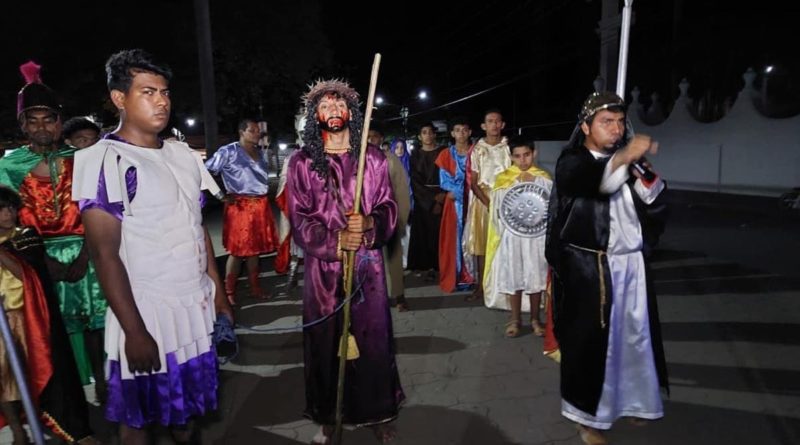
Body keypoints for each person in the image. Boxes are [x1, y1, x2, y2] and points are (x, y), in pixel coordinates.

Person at [72, 48, 232, 445]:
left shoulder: (181, 154)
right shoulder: (104, 160)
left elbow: (196, 232)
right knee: (138, 419)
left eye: (165, 91)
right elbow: (104, 254)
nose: (161, 100)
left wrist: (219, 293)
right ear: (118, 98)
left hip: (194, 308)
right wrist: (135, 330)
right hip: (146, 312)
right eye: (148, 91)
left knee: (187, 413)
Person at [545, 91, 669, 445]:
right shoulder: (572, 161)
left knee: (633, 339)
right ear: (585, 126)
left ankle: (635, 401)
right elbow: (594, 182)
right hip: (591, 268)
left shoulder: (627, 159)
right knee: (591, 346)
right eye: (605, 122)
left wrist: (643, 177)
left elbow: (657, 200)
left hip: (632, 266)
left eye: (619, 123)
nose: (615, 130)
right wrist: (624, 159)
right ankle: (587, 419)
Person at [287, 79, 404, 444]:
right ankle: (328, 412)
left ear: (352, 114)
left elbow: (389, 207)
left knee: (373, 342)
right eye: (326, 105)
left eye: (341, 105)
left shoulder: (373, 158)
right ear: (315, 115)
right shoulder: (302, 163)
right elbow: (300, 218)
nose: (334, 110)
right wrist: (335, 240)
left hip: (367, 268)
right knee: (325, 342)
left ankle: (377, 411)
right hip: (323, 271)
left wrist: (370, 224)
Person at [0, 61, 107, 398]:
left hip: (89, 253)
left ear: (60, 123)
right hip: (36, 260)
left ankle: (107, 386)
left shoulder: (82, 158)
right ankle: (69, 396)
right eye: (33, 121)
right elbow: (6, 223)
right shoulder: (8, 166)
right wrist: (45, 263)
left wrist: (85, 256)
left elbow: (98, 210)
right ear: (23, 126)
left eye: (49, 120)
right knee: (53, 332)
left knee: (99, 324)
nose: (42, 128)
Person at [0, 185, 101, 445]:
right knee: (5, 381)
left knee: (44, 372)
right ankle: (20, 433)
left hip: (28, 320)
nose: (8, 213)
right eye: (1, 209)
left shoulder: (26, 236)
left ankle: (68, 427)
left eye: (11, 207)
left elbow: (27, 274)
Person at [205, 118, 279, 303]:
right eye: (252, 130)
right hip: (240, 207)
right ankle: (229, 292)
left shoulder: (260, 152)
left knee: (255, 251)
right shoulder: (228, 151)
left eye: (257, 130)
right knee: (238, 252)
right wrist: (220, 195)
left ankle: (255, 287)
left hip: (260, 206)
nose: (257, 133)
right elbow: (204, 172)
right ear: (242, 132)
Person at [484, 138, 551, 337]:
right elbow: (497, 210)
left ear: (534, 153)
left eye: (527, 155)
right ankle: (514, 319)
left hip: (536, 237)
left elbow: (550, 208)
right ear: (511, 156)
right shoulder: (503, 179)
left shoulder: (545, 179)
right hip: (512, 237)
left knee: (535, 275)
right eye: (517, 156)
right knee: (514, 274)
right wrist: (514, 184)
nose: (522, 160)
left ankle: (535, 319)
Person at [463, 109, 510, 302]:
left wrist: (503, 202)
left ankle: (503, 286)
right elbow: (473, 181)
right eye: (490, 121)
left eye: (497, 121)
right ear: (484, 126)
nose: (494, 125)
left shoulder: (508, 147)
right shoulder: (478, 149)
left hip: (506, 201)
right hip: (483, 202)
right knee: (481, 247)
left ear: (502, 125)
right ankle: (481, 287)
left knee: (503, 245)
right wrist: (488, 203)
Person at [369, 128, 411, 311]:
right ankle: (374, 298)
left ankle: (399, 296)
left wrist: (401, 219)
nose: (371, 140)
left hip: (389, 217)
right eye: (368, 136)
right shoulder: (356, 159)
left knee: (393, 257)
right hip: (366, 221)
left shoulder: (390, 160)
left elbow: (402, 191)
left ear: (381, 139)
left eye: (375, 136)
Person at [434, 117, 474, 293]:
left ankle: (473, 277)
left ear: (470, 132)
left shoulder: (477, 152)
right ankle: (456, 276)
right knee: (454, 239)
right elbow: (444, 180)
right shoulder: (445, 154)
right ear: (452, 133)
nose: (461, 134)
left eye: (464, 130)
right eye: (457, 130)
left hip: (475, 200)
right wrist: (457, 192)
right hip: (455, 204)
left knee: (473, 238)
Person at [406, 123, 444, 281]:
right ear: (420, 136)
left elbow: (449, 173)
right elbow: (414, 180)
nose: (427, 135)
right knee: (423, 234)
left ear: (435, 135)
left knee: (440, 234)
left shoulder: (443, 152)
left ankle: (441, 266)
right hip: (423, 200)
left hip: (442, 197)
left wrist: (441, 197)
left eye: (430, 132)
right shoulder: (415, 154)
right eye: (424, 132)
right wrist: (431, 200)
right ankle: (425, 266)